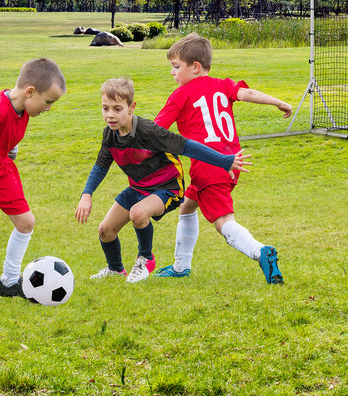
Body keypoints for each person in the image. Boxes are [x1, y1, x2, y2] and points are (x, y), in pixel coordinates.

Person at [75, 77, 251, 283]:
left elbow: (187, 146)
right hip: (138, 188)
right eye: (105, 108)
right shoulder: (110, 135)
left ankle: (145, 259)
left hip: (167, 188)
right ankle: (115, 269)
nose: (110, 115)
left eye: (117, 109)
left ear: (131, 108)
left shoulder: (148, 131)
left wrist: (224, 161)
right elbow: (100, 166)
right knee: (105, 230)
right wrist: (86, 195)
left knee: (138, 213)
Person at [153, 33, 292, 284]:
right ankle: (181, 265)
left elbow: (156, 130)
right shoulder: (223, 85)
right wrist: (278, 102)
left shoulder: (180, 95)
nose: (172, 73)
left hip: (208, 166)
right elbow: (248, 94)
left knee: (224, 223)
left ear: (195, 67)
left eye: (175, 67)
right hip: (231, 161)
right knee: (187, 206)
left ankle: (259, 251)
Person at [1, 58, 66, 297]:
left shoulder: (23, 109)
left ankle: (8, 282)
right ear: (30, 92)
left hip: (4, 171)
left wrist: (10, 150)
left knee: (26, 223)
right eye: (48, 101)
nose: (48, 108)